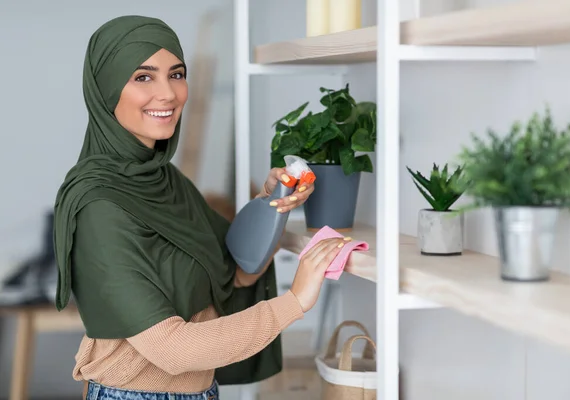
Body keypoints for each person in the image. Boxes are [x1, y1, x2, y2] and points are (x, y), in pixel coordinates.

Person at [52, 15, 351, 400]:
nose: (169, 94)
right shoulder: (98, 207)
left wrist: (271, 205)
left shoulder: (166, 181)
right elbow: (174, 349)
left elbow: (232, 273)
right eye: (143, 77)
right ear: (106, 89)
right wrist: (295, 302)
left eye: (176, 74)